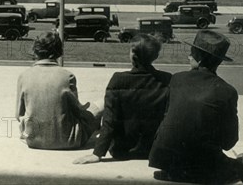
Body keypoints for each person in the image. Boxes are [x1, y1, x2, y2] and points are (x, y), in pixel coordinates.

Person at [149, 30, 243, 185]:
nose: (188, 56)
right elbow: (229, 142)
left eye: (191, 53)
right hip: (202, 166)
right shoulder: (226, 91)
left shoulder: (176, 79)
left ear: (199, 59)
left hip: (166, 162)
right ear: (219, 61)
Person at [73, 34, 171, 164]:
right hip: (152, 149)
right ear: (156, 56)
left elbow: (109, 120)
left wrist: (98, 153)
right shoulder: (166, 79)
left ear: (132, 55)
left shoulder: (118, 80)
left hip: (122, 150)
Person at [16, 31, 100, 150]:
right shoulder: (67, 76)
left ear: (35, 50)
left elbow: (18, 115)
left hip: (34, 141)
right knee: (101, 104)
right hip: (69, 141)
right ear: (58, 51)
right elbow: (78, 111)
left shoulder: (24, 76)